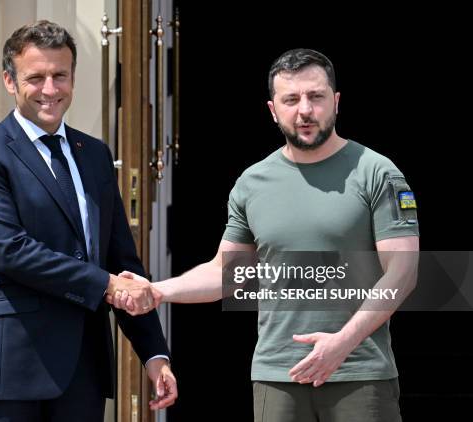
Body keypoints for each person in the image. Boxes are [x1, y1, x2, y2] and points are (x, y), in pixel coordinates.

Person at [110, 48, 419, 421]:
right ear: (273, 109)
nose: (304, 110)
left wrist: (343, 343)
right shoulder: (252, 183)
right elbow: (226, 272)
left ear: (336, 102)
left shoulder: (377, 173)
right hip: (278, 377)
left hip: (360, 376)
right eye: (291, 99)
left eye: (316, 97)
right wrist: (160, 290)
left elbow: (402, 273)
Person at [0, 20, 176, 422]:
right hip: (8, 368)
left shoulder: (96, 155)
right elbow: (10, 251)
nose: (50, 90)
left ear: (73, 78)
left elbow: (121, 260)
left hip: (83, 369)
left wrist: (154, 354)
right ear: (9, 81)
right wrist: (105, 284)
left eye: (60, 76)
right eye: (36, 77)